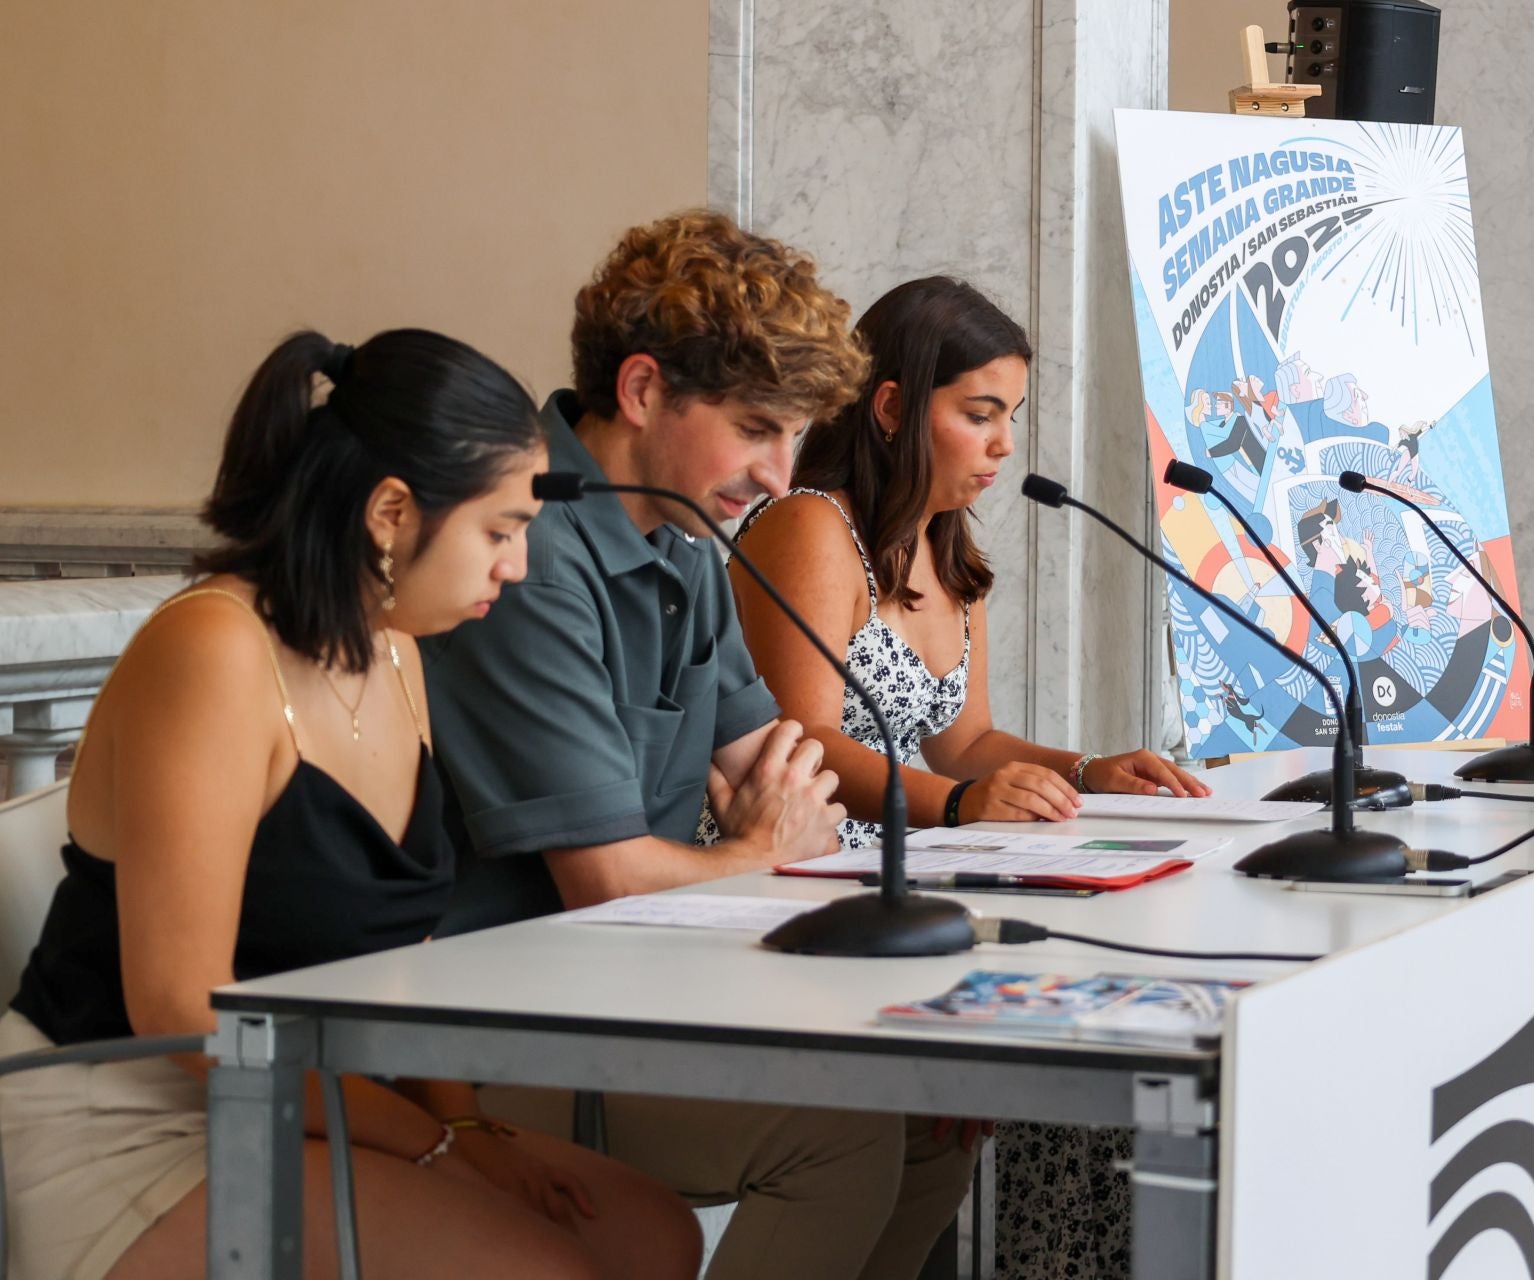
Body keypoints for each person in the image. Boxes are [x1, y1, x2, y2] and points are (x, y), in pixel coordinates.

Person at [0, 330, 701, 1280]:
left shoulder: (397, 650)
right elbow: (189, 1016)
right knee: (547, 1270)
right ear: (390, 513)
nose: (519, 568)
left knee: (654, 1235)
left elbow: (393, 962)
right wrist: (433, 1146)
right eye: (499, 532)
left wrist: (454, 1119)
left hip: (312, 1099)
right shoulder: (213, 651)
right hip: (137, 1118)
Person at [421, 212, 975, 1280]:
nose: (778, 476)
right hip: (500, 1026)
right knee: (838, 1133)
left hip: (652, 980)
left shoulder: (679, 537)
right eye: (757, 428)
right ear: (640, 392)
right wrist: (752, 847)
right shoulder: (522, 545)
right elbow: (609, 878)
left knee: (936, 1109)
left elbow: (784, 773)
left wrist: (755, 836)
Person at [721, 275, 1208, 1277]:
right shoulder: (812, 526)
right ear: (895, 407)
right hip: (806, 882)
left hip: (918, 877)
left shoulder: (948, 551)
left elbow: (967, 741)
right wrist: (959, 807)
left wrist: (1085, 769)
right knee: (905, 1137)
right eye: (980, 414)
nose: (1004, 445)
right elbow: (803, 739)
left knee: (948, 1143)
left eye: (1011, 418)